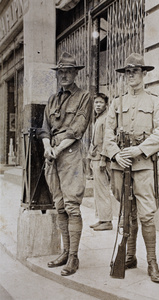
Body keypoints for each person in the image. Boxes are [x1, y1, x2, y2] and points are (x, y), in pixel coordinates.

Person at [104, 53, 159, 283]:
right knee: (125, 213)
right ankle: (129, 256)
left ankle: (152, 261)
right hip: (120, 167)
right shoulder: (117, 102)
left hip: (142, 166)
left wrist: (139, 150)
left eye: (135, 72)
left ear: (144, 74)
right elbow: (107, 134)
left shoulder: (154, 101)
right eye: (128, 72)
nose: (131, 76)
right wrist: (116, 154)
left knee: (147, 214)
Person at [40, 52, 92, 276]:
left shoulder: (84, 97)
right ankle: (64, 251)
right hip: (52, 156)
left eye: (68, 71)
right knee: (59, 206)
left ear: (75, 73)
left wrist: (58, 149)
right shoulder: (52, 99)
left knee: (72, 206)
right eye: (61, 72)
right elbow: (44, 128)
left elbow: (78, 129)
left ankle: (73, 257)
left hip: (70, 155)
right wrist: (47, 148)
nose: (64, 75)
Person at [88, 93, 113, 231]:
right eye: (96, 102)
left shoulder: (107, 119)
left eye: (100, 103)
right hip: (95, 158)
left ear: (106, 104)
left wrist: (103, 158)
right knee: (98, 190)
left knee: (103, 190)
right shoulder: (98, 119)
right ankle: (102, 218)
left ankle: (107, 221)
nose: (98, 105)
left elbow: (106, 140)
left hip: (102, 159)